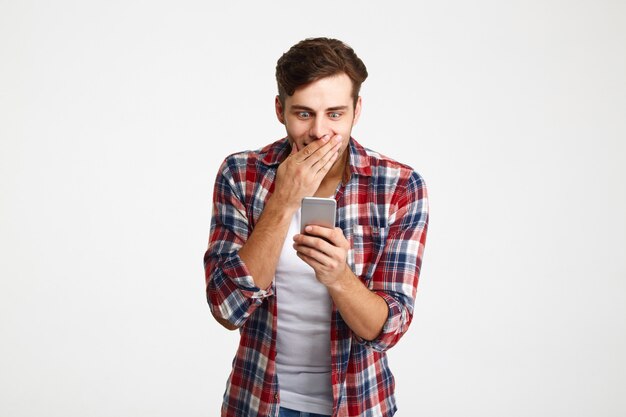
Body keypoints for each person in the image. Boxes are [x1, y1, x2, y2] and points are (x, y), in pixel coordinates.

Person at [204, 37, 429, 417]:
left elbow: (388, 330)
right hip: (258, 401)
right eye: (304, 114)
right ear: (280, 109)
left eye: (335, 114)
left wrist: (338, 275)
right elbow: (227, 310)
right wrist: (284, 201)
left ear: (357, 110)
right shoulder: (241, 174)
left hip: (359, 403)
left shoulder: (399, 186)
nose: (320, 132)